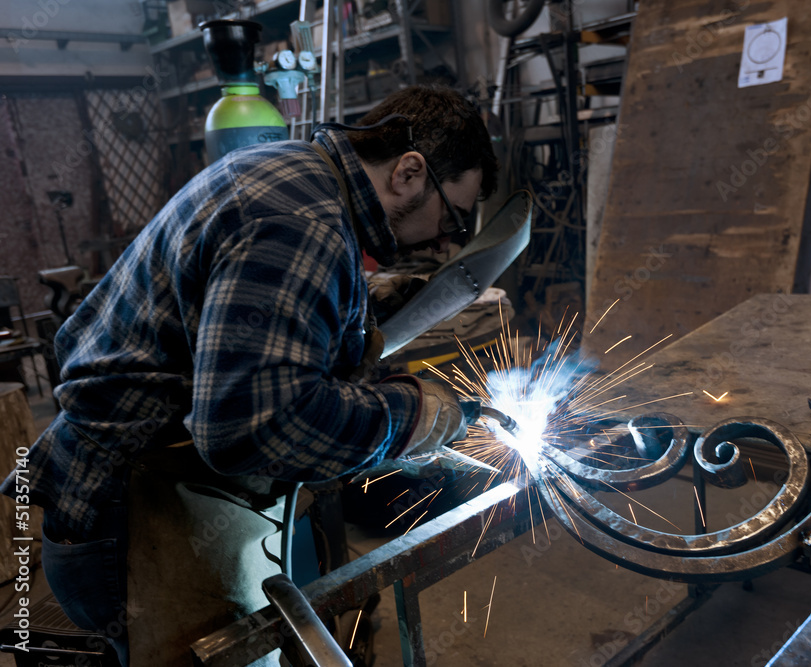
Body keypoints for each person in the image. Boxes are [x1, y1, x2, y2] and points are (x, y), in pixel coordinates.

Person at [1, 84, 499, 666]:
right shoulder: (300, 219)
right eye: (453, 217)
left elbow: (252, 308)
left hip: (128, 494)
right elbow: (254, 427)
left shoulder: (295, 174)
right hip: (130, 520)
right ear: (409, 173)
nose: (446, 241)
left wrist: (361, 302)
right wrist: (413, 413)